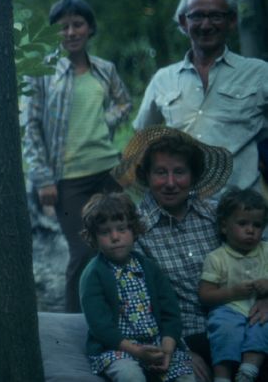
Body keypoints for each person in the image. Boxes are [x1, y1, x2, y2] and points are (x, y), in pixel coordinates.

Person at [21, 0, 131, 313]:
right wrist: (43, 179)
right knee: (83, 252)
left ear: (89, 28)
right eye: (63, 26)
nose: (70, 32)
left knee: (119, 243)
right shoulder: (42, 73)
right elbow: (31, 127)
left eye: (77, 24)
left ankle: (120, 314)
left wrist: (105, 121)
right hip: (68, 179)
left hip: (108, 172)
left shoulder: (104, 70)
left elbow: (124, 103)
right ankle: (75, 320)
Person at [113, 126, 234, 381]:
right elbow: (140, 304)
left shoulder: (216, 215)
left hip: (234, 322)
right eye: (160, 172)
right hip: (182, 336)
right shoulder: (135, 230)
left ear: (193, 176)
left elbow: (258, 254)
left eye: (179, 172)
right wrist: (181, 350)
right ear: (146, 176)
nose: (170, 183)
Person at [134, 0, 268, 198]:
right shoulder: (163, 79)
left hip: (243, 215)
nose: (206, 25)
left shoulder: (259, 73)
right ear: (184, 22)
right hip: (182, 213)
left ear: (231, 20)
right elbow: (142, 137)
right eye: (197, 16)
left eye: (215, 16)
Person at [79, 192, 195, 382]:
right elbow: (100, 326)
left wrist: (167, 348)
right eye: (105, 232)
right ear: (94, 237)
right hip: (118, 348)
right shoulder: (93, 274)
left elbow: (170, 312)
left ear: (134, 231)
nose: (115, 237)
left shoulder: (148, 267)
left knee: (186, 377)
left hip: (157, 345)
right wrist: (136, 351)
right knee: (130, 376)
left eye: (122, 229)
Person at [199, 189, 268, 382]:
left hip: (260, 309)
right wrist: (232, 292)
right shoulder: (217, 258)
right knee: (223, 330)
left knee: (264, 327)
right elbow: (205, 295)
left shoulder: (266, 250)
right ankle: (222, 376)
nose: (250, 230)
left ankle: (248, 371)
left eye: (257, 225)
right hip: (229, 309)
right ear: (224, 226)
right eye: (242, 223)